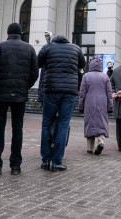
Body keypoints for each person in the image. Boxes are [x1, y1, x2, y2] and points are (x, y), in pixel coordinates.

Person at [0, 23, 38, 175]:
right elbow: (35, 73)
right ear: (21, 33)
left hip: (0, 94)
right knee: (17, 129)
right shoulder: (30, 49)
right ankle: (15, 165)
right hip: (19, 96)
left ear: (8, 33)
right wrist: (25, 87)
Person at [38, 34, 85, 171]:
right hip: (69, 91)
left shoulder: (48, 47)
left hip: (51, 89)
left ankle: (46, 160)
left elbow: (38, 63)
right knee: (63, 125)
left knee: (46, 123)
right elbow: (82, 65)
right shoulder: (76, 49)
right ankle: (57, 161)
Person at [78, 57, 113, 155]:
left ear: (90, 65)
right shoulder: (105, 76)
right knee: (101, 120)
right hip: (102, 101)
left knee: (90, 121)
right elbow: (109, 93)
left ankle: (90, 148)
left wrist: (81, 105)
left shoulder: (86, 76)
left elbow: (82, 92)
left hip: (89, 101)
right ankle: (101, 141)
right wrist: (110, 106)